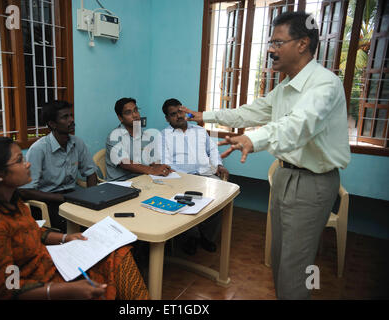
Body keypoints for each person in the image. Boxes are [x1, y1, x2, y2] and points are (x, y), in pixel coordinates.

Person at [181, 11, 350, 299]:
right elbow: (250, 111)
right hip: (285, 175)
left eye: (277, 42)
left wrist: (253, 139)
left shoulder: (325, 84)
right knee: (279, 257)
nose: (270, 49)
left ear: (302, 44)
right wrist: (203, 115)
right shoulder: (285, 86)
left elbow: (299, 124)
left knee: (297, 267)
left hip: (312, 183)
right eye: (269, 42)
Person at [0, 137, 149, 300]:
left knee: (116, 252)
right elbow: (4, 289)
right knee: (111, 267)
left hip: (49, 266)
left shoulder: (11, 201)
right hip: (37, 286)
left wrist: (66, 238)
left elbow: (32, 231)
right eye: (19, 160)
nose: (27, 163)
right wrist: (66, 290)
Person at [161, 98, 229, 255]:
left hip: (206, 175)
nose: (178, 116)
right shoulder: (163, 136)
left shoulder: (199, 131)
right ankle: (190, 237)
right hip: (181, 178)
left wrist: (218, 165)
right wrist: (187, 175)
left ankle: (206, 236)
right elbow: (166, 163)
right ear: (167, 118)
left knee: (219, 199)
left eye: (180, 111)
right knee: (186, 204)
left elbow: (212, 151)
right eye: (173, 114)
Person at [19, 101, 98, 232]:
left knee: (100, 220)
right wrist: (61, 198)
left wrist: (93, 198)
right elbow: (25, 191)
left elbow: (90, 173)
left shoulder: (77, 143)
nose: (71, 120)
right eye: (65, 117)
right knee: (80, 228)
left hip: (72, 196)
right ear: (52, 124)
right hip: (48, 200)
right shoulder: (39, 149)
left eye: (71, 115)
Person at [105, 97, 172, 181]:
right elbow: (125, 163)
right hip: (121, 183)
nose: (135, 115)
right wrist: (152, 170)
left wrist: (161, 168)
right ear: (120, 118)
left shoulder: (146, 135)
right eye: (128, 113)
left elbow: (152, 160)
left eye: (136, 110)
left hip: (141, 180)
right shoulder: (114, 137)